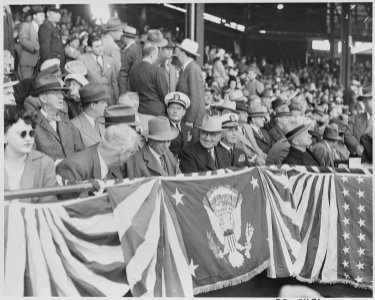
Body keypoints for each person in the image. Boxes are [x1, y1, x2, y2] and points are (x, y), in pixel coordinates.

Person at [4, 106, 58, 203]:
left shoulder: (45, 164)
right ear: (4, 137)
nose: (28, 138)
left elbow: (48, 207)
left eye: (31, 133)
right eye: (22, 134)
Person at [56, 123, 139, 182]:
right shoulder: (74, 167)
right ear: (122, 153)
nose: (130, 156)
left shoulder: (114, 166)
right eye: (131, 152)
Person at [31, 74, 83, 163]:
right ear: (43, 98)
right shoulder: (31, 125)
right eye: (56, 93)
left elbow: (80, 152)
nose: (61, 97)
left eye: (61, 93)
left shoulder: (67, 122)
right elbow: (31, 158)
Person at [129, 43, 168, 118]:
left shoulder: (133, 71)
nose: (157, 58)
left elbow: (133, 93)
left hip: (140, 110)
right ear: (152, 54)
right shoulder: (157, 70)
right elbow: (164, 93)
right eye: (156, 55)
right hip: (156, 111)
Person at [78, 34, 119, 106]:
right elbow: (80, 81)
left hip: (110, 99)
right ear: (90, 48)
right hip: (93, 100)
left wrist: (117, 98)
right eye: (97, 46)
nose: (101, 48)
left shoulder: (110, 60)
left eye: (101, 45)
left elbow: (114, 82)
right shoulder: (82, 59)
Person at [175, 38, 206, 128]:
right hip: (188, 117)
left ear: (183, 53)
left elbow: (195, 96)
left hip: (192, 120)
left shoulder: (192, 69)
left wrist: (190, 120)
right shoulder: (187, 68)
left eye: (179, 51)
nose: (178, 54)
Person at [71, 83, 107, 149]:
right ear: (93, 105)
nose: (106, 105)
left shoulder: (102, 122)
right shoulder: (73, 126)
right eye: (103, 102)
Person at [165, 92, 199, 157]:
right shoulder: (163, 128)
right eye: (172, 108)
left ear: (184, 112)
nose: (175, 111)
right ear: (167, 110)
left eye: (178, 108)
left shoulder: (189, 129)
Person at [344, 86, 372, 158]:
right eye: (367, 99)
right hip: (358, 161)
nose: (365, 102)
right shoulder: (354, 118)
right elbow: (347, 135)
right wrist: (357, 146)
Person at [18, 5, 45, 80]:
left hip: (38, 63)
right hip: (27, 62)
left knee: (35, 86)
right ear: (34, 16)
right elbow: (23, 40)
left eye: (44, 16)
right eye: (41, 15)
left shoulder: (42, 28)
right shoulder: (26, 25)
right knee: (26, 85)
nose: (43, 18)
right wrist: (36, 47)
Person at [39, 5, 65, 70]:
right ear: (48, 14)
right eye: (56, 13)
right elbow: (45, 49)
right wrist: (50, 67)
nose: (58, 15)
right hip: (52, 65)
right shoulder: (45, 27)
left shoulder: (54, 27)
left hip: (58, 62)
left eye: (59, 13)